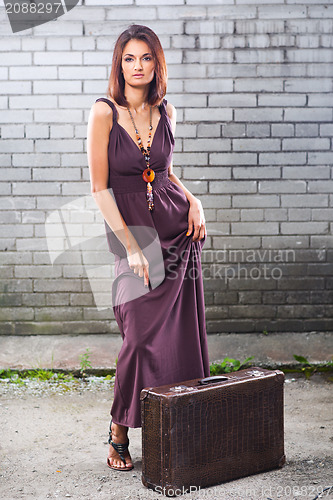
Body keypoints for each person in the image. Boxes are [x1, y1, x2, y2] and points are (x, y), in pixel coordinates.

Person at [87, 24, 210, 472]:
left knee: (179, 338)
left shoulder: (167, 110)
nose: (137, 67)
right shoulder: (104, 112)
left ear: (157, 63)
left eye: (146, 58)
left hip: (178, 231)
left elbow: (164, 173)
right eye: (128, 59)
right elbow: (100, 189)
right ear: (119, 65)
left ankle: (180, 426)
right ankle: (120, 428)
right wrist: (132, 247)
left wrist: (194, 200)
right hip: (134, 236)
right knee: (137, 336)